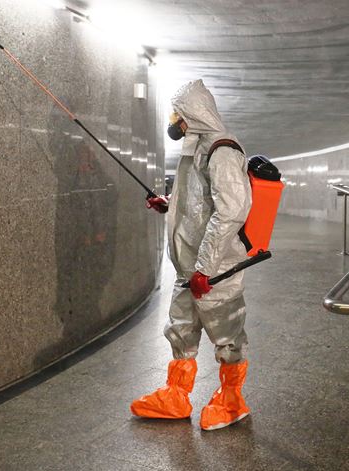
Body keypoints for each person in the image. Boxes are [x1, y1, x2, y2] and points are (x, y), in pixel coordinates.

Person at [131, 80, 253, 431]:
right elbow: (200, 206)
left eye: (178, 114)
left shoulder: (223, 150)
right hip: (190, 267)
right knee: (182, 327)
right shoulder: (197, 149)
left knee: (226, 330)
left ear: (194, 114)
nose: (174, 121)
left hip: (216, 269)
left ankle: (232, 400)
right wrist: (169, 206)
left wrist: (205, 269)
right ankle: (176, 396)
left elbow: (231, 211)